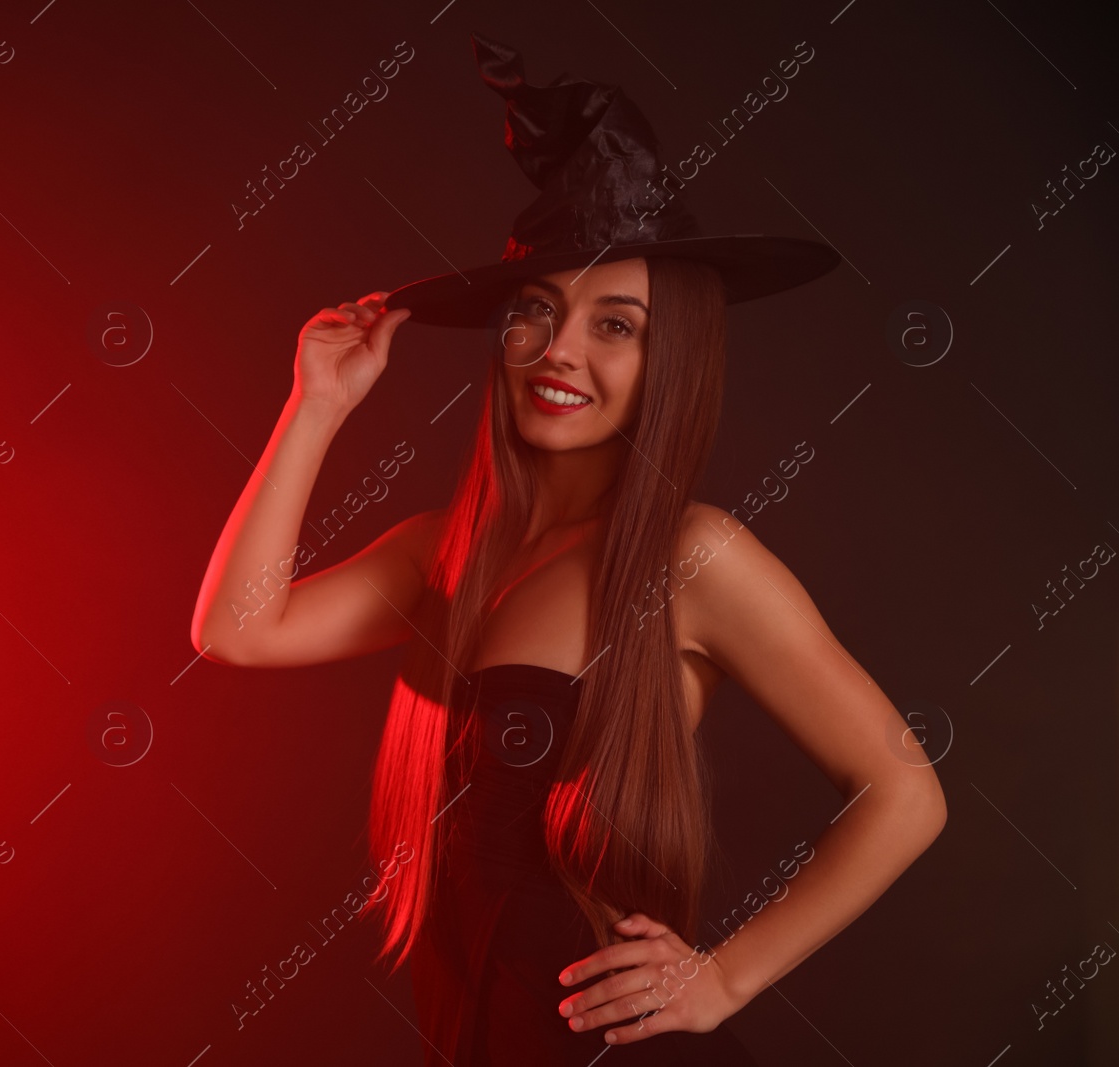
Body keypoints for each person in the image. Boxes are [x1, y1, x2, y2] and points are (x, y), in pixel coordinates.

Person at [190, 33, 947, 1065]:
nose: (561, 351)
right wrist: (314, 409)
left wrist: (720, 975)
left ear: (667, 355)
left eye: (617, 325)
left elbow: (903, 789)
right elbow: (234, 630)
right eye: (536, 312)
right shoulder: (439, 554)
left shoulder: (693, 555)